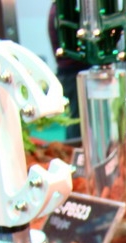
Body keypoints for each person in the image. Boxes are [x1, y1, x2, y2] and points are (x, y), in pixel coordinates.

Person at [47, 3, 88, 140]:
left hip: (71, 73)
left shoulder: (58, 9)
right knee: (77, 124)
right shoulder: (61, 10)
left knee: (78, 120)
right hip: (73, 74)